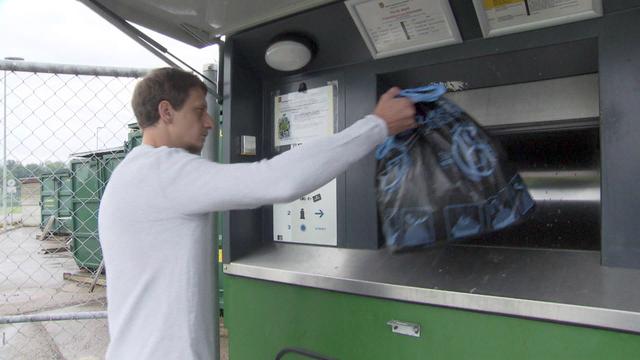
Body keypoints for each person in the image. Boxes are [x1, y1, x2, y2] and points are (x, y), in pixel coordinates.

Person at [98, 67, 415, 359]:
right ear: (166, 112)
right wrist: (377, 126)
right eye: (198, 110)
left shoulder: (132, 174)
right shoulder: (162, 172)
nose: (209, 122)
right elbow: (277, 180)